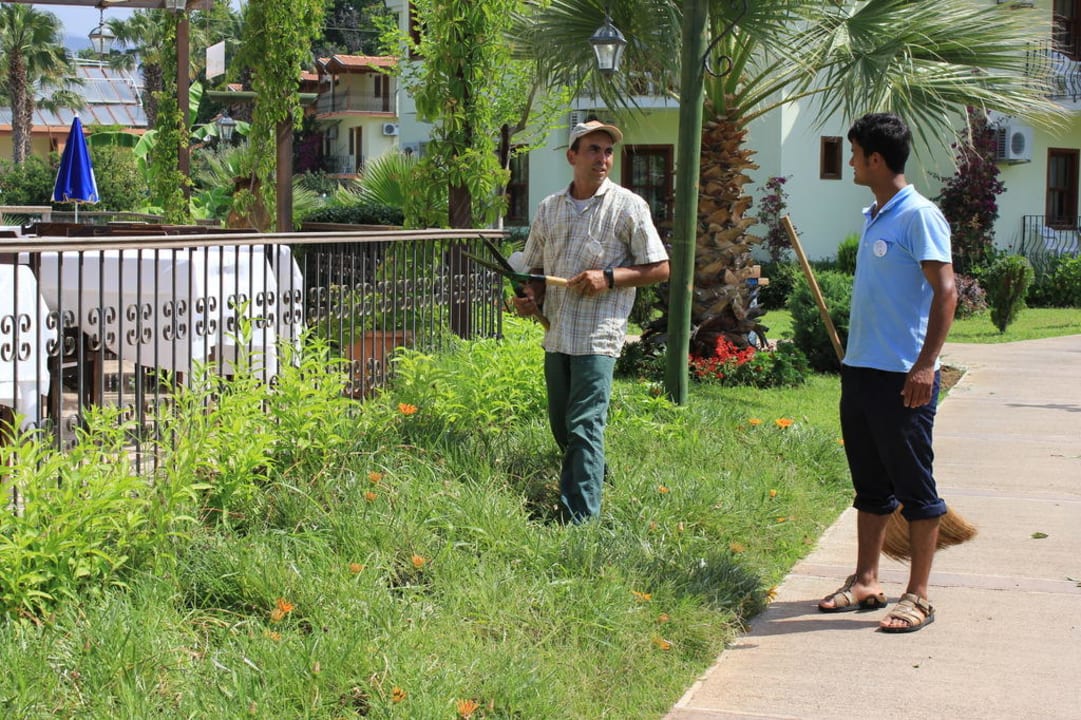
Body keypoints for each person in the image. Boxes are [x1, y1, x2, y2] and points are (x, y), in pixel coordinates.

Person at [817, 113, 958, 633]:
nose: (850, 161)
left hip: (904, 376)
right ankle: (866, 581)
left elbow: (947, 291)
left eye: (854, 154)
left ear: (876, 159)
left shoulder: (919, 215)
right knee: (871, 486)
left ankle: (918, 596)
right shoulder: (875, 213)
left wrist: (925, 366)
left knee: (917, 488)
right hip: (861, 373)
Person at [512, 120, 670, 524]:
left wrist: (609, 278)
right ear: (572, 156)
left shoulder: (628, 206)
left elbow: (660, 268)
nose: (603, 159)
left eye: (608, 151)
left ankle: (579, 521)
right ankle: (597, 480)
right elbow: (534, 271)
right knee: (562, 427)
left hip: (599, 334)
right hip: (558, 332)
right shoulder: (549, 208)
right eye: (594, 150)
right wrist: (530, 298)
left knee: (584, 424)